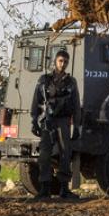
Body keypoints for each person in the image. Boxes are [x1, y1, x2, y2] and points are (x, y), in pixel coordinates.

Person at [30, 50, 81, 199]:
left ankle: (64, 188)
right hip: (48, 121)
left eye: (65, 61)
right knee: (45, 154)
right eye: (60, 61)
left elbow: (76, 105)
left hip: (64, 121)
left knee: (65, 153)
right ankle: (45, 187)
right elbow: (36, 101)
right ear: (55, 61)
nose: (63, 64)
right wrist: (34, 120)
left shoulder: (71, 82)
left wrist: (77, 126)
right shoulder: (44, 80)